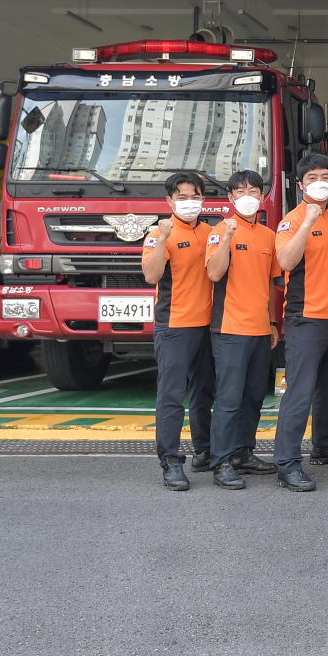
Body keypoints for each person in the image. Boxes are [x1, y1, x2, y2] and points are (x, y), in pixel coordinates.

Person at [271, 153, 328, 492]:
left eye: (326, 177)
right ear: (300, 184)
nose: (320, 182)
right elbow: (286, 261)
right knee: (299, 392)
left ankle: (323, 444)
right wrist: (307, 222)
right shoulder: (291, 221)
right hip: (304, 319)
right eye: (312, 178)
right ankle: (287, 463)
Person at [204, 170, 283, 489]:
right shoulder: (219, 231)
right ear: (230, 197)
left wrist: (273, 323)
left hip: (260, 330)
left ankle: (243, 453)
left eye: (253, 191)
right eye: (240, 191)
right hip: (230, 329)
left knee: (253, 396)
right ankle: (221, 462)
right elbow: (214, 273)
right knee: (229, 399)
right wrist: (227, 237)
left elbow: (270, 283)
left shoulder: (268, 236)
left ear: (262, 196)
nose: (247, 196)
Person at [142, 171, 216, 491]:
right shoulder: (158, 233)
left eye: (195, 196)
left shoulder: (211, 232)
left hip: (209, 325)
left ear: (203, 199)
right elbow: (151, 275)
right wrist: (162, 237)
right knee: (172, 396)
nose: (189, 202)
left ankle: (204, 450)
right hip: (174, 326)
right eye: (182, 197)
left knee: (204, 392)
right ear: (169, 201)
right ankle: (170, 461)